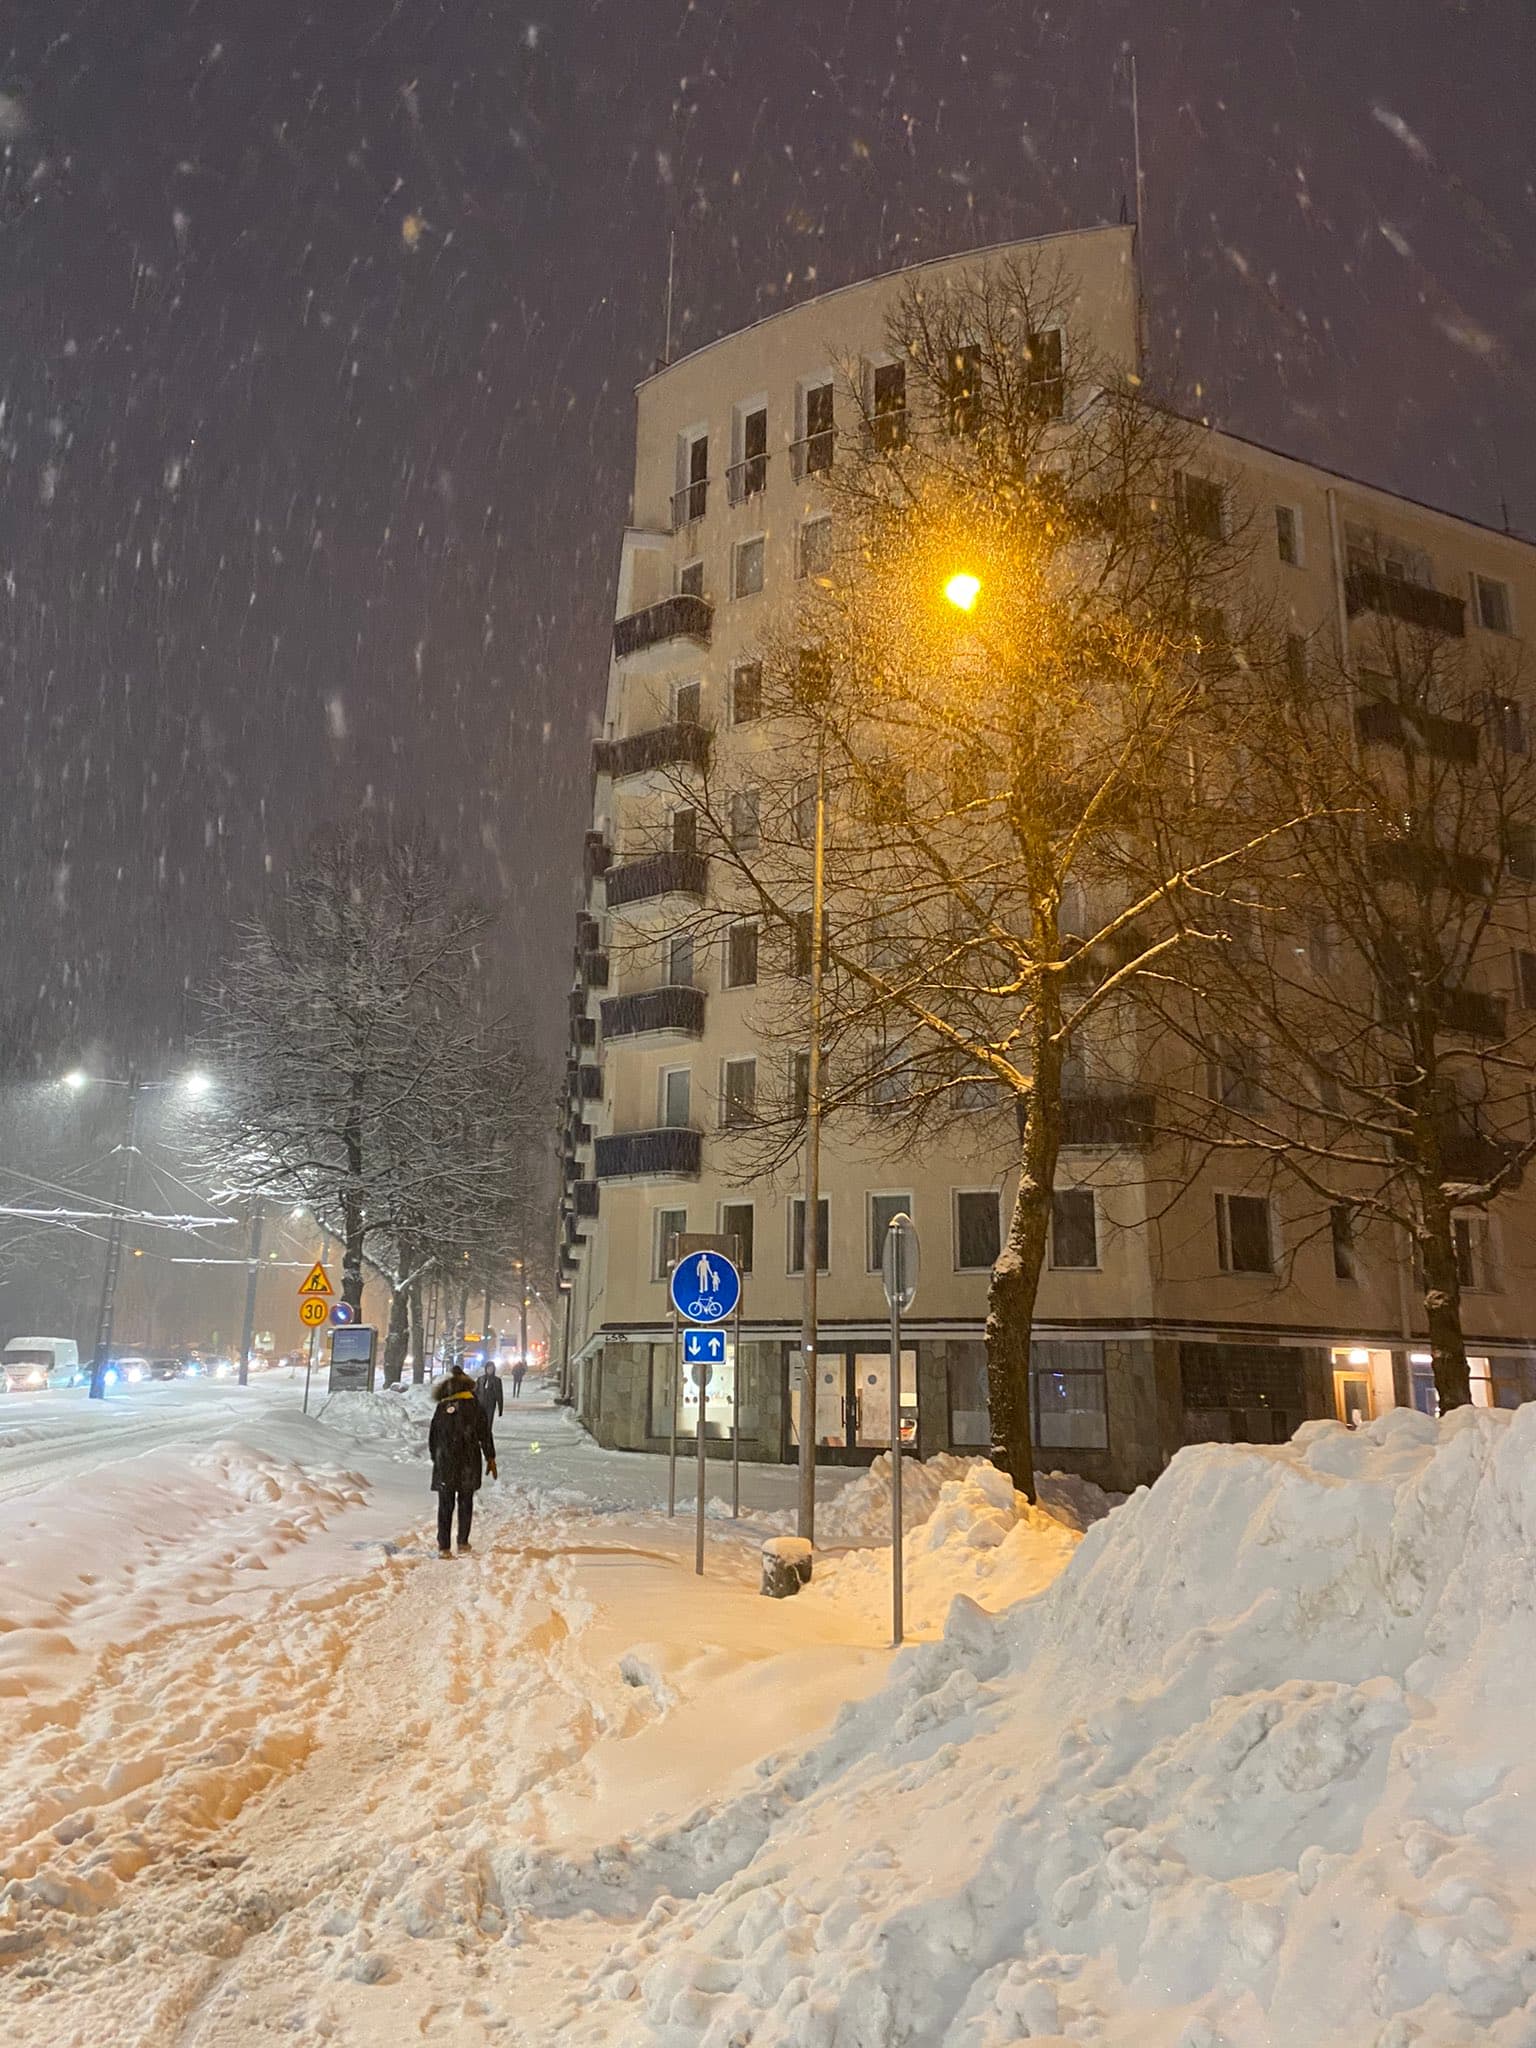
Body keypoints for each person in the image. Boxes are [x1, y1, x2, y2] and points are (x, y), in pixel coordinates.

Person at [429, 1365, 496, 1557]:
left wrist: (437, 1458)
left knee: (445, 1505)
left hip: (445, 1463)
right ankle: (463, 1542)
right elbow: (485, 1434)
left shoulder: (442, 1408)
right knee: (465, 1502)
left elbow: (433, 1437)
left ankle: (444, 1547)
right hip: (468, 1461)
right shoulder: (474, 1406)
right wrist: (490, 1456)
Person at [476, 1356, 504, 1437]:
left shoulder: (497, 1380)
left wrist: (500, 1408)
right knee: (480, 1422)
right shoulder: (480, 1379)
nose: (490, 1370)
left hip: (491, 1405)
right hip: (481, 1405)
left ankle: (487, 1437)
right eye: (488, 1368)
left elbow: (499, 1395)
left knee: (488, 1423)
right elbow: (475, 1392)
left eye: (491, 1369)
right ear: (486, 1369)